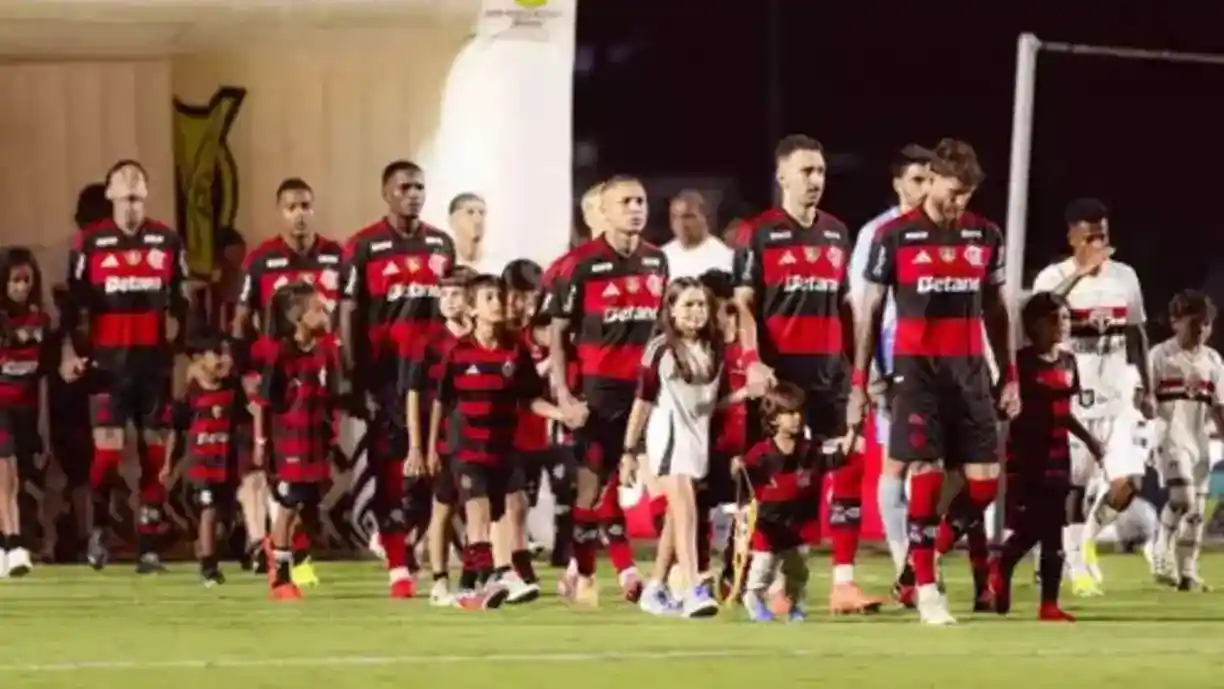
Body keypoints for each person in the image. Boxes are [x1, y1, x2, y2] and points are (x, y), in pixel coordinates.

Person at [852, 138, 1017, 626]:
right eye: (952, 189)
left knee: (984, 488)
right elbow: (870, 310)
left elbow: (996, 308)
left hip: (970, 373)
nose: (958, 200)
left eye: (967, 192)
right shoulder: (895, 236)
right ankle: (926, 590)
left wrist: (1009, 376)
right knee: (923, 475)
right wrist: (862, 380)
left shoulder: (984, 236)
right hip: (916, 372)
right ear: (932, 179)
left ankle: (917, 563)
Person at [731, 134, 881, 614]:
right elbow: (744, 304)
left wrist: (859, 372)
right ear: (782, 177)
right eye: (806, 172)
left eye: (820, 171)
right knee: (779, 482)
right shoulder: (758, 233)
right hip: (782, 380)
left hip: (830, 374)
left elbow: (844, 305)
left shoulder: (837, 232)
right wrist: (752, 358)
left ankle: (843, 582)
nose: (816, 180)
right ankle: (769, 584)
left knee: (849, 464)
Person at [63, 160, 190, 573]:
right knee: (108, 454)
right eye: (125, 195)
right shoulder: (89, 244)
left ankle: (149, 545)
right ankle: (99, 528)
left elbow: (181, 303)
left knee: (154, 454)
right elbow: (75, 306)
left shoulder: (167, 241)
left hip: (153, 366)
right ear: (111, 195)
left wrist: (184, 350)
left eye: (138, 196)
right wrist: (70, 351)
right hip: (108, 366)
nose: (132, 203)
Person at [428, 274, 583, 610]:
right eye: (488, 298)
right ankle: (485, 576)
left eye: (499, 296)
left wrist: (561, 413)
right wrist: (428, 448)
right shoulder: (456, 352)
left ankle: (487, 580)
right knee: (478, 509)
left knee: (503, 512)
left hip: (503, 448)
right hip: (466, 449)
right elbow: (439, 402)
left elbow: (529, 399)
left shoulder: (516, 349)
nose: (497, 303)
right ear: (472, 308)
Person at [549, 175, 667, 606]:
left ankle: (666, 574)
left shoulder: (657, 262)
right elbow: (557, 335)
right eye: (626, 201)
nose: (636, 208)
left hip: (647, 392)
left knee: (659, 482)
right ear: (605, 211)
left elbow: (660, 329)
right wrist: (564, 395)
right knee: (592, 487)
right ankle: (583, 575)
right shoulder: (578, 265)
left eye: (641, 200)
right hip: (598, 394)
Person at [341, 160, 456, 598]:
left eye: (420, 187)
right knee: (393, 468)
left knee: (431, 468)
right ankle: (398, 565)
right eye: (405, 187)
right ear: (386, 193)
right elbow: (348, 311)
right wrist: (352, 375)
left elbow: (453, 303)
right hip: (386, 376)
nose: (414, 194)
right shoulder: (363, 246)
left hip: (435, 378)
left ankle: (409, 543)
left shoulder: (441, 244)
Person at [1031, 197, 1149, 596]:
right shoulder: (1053, 277)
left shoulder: (1125, 277)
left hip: (1118, 399)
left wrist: (1146, 386)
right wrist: (1078, 275)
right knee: (1073, 489)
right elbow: (1038, 316)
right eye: (1089, 237)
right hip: (1074, 400)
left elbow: (1136, 332)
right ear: (1071, 237)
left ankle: (1083, 543)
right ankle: (1076, 566)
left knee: (1128, 482)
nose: (1099, 244)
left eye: (1104, 236)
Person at [233, 178, 343, 583]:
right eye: (292, 206)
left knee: (310, 494)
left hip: (318, 391)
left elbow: (348, 309)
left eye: (306, 205)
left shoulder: (335, 256)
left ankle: (298, 558)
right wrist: (247, 372)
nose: (300, 213)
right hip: (284, 403)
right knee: (291, 491)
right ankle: (281, 566)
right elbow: (241, 320)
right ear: (280, 211)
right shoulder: (261, 260)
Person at [622, 277, 737, 618]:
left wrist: (747, 393)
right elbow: (641, 403)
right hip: (667, 437)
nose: (696, 312)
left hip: (696, 440)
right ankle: (692, 588)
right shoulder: (660, 349)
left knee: (677, 516)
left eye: (701, 304)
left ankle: (655, 587)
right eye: (687, 304)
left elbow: (707, 404)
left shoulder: (714, 348)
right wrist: (629, 450)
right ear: (670, 309)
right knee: (687, 510)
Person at [847, 143, 933, 590]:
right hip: (892, 354)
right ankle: (906, 561)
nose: (924, 189)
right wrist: (869, 372)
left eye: (929, 179)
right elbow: (862, 306)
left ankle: (919, 558)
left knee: (933, 464)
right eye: (917, 180)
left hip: (941, 358)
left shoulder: (942, 229)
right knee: (899, 463)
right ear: (898, 183)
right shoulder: (876, 233)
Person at [989, 292, 1096, 622]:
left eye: (1065, 318)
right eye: (1053, 318)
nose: (1062, 325)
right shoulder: (1018, 364)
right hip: (1025, 456)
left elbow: (1065, 413)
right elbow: (1000, 407)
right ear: (1032, 325)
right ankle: (1003, 565)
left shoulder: (1068, 363)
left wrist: (1090, 440)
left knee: (1053, 530)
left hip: (1058, 455)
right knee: (1034, 525)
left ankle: (1048, 603)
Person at [252, 282, 341, 600]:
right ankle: (281, 578)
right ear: (298, 317)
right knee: (288, 506)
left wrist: (332, 433)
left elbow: (329, 396)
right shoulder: (281, 353)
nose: (325, 312)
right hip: (287, 442)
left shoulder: (325, 351)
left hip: (315, 440)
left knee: (309, 504)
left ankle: (276, 547)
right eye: (317, 308)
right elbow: (264, 403)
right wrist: (261, 443)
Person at [735, 382, 846, 622]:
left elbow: (835, 460)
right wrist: (738, 476)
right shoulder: (761, 453)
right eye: (788, 413)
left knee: (797, 570)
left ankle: (796, 604)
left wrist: (853, 435)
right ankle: (753, 598)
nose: (796, 418)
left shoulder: (810, 450)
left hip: (799, 521)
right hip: (769, 522)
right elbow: (744, 483)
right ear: (773, 419)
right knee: (764, 565)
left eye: (798, 412)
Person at [405, 267, 474, 606]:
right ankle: (439, 580)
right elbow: (416, 394)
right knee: (442, 509)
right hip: (446, 438)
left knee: (481, 511)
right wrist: (418, 446)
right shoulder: (429, 343)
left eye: (456, 294)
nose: (448, 301)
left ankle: (478, 577)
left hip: (482, 436)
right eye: (443, 294)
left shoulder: (485, 337)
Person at [1148, 289, 1224, 591]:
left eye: (1207, 324)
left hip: (1200, 440)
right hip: (1170, 435)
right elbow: (1145, 396)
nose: (1201, 331)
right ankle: (1159, 549)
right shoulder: (1160, 356)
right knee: (1183, 499)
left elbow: (1219, 406)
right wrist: (1146, 405)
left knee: (1196, 511)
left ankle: (1187, 572)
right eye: (1195, 323)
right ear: (1175, 322)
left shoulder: (1214, 361)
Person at [163, 333, 241, 587]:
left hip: (226, 463)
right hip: (201, 466)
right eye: (217, 354)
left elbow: (247, 421)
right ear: (201, 359)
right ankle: (208, 568)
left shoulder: (233, 390)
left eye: (226, 354)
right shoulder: (190, 394)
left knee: (223, 519)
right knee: (208, 511)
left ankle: (209, 550)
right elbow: (176, 429)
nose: (223, 360)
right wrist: (168, 463)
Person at [0, 248, 51, 577]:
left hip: (25, 408)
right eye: (14, 281)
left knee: (17, 478)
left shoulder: (40, 320)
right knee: (6, 474)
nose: (20, 287)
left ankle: (7, 546)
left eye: (26, 281)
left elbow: (40, 372)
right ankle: (14, 544)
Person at [660, 191, 733, 280]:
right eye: (675, 217)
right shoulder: (662, 256)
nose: (681, 223)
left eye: (688, 217)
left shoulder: (724, 256)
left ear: (704, 217)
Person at [449, 193, 499, 274]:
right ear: (452, 220)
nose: (478, 219)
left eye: (482, 213)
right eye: (470, 212)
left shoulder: (498, 264)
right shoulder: (443, 262)